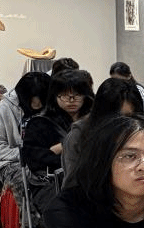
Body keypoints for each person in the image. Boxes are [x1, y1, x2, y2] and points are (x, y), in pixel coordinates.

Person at [22, 69, 94, 212]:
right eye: (65, 95)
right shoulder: (39, 123)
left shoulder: (94, 121)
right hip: (52, 185)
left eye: (77, 95)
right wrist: (68, 147)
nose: (71, 100)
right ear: (54, 96)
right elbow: (34, 159)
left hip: (91, 182)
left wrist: (60, 149)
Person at [62, 77, 144, 186]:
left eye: (129, 118)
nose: (122, 125)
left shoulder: (143, 133)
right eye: (116, 118)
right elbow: (72, 186)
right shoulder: (79, 136)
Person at [0, 70, 49, 212]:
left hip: (44, 159)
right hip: (10, 162)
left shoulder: (49, 106)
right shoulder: (3, 110)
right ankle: (33, 223)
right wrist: (26, 153)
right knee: (22, 178)